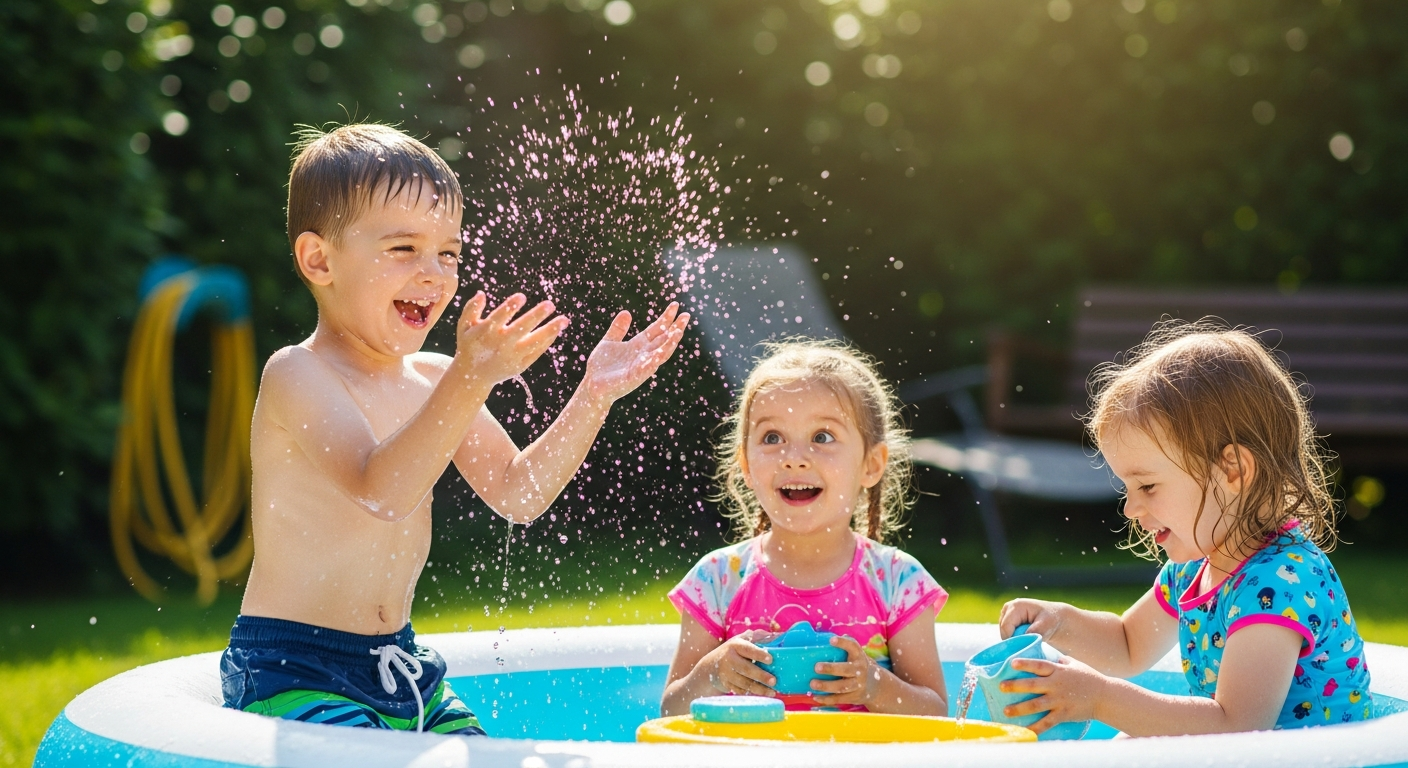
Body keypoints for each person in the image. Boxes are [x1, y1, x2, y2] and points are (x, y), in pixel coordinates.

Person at [220, 123, 689, 735]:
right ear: (319, 260)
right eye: (403, 249)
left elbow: (519, 494)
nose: (434, 272)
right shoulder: (299, 374)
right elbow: (380, 491)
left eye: (448, 252)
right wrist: (471, 378)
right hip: (295, 667)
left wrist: (593, 395)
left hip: (402, 667)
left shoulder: (435, 377)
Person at [998, 322, 1372, 736]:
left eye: (1148, 486)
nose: (1130, 507)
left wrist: (1100, 698)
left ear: (1233, 470)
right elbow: (1127, 643)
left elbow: (1237, 726)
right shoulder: (1194, 569)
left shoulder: (1281, 582)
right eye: (1128, 488)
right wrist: (1057, 621)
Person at [661, 340, 949, 716]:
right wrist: (711, 673)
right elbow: (670, 711)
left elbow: (937, 713)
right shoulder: (717, 581)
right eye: (772, 438)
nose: (794, 458)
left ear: (871, 464)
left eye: (822, 437)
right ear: (746, 464)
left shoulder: (897, 583)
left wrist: (874, 686)